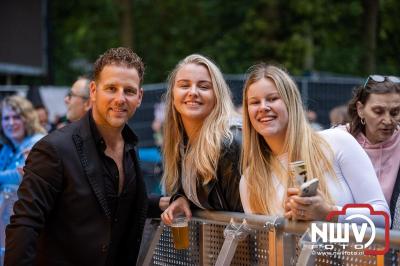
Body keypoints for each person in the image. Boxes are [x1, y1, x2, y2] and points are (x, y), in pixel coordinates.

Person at [5, 47, 155, 265]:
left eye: (129, 91)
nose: (120, 98)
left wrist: (165, 202)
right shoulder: (53, 148)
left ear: (139, 97)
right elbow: (24, 225)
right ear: (93, 91)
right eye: (111, 88)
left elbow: (116, 202)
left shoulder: (130, 146)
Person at [239, 63, 389, 226]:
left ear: (291, 103)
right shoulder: (250, 180)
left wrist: (329, 213)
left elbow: (383, 217)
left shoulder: (337, 142)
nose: (263, 107)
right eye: (254, 102)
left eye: (273, 99)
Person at [160, 54, 243, 225]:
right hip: (215, 249)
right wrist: (182, 198)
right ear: (173, 95)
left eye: (204, 87)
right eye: (184, 85)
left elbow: (245, 220)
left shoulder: (229, 142)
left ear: (217, 95)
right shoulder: (180, 142)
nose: (193, 92)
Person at [346, 75, 400, 226]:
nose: (388, 120)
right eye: (378, 111)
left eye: (395, 112)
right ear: (360, 109)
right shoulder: (340, 139)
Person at [0, 95, 46, 185]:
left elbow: (20, 176)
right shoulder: (7, 147)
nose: (11, 123)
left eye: (16, 117)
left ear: (28, 119)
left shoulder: (38, 142)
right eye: (6, 118)